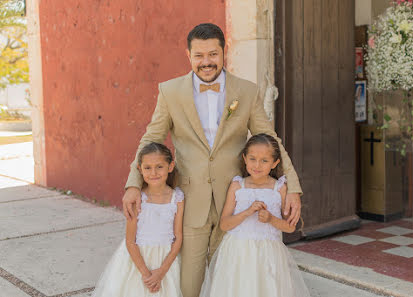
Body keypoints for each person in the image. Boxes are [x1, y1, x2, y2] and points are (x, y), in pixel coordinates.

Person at [122, 23, 304, 297]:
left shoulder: (246, 91)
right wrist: (133, 184)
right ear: (189, 55)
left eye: (212, 55)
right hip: (191, 200)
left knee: (229, 282)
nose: (206, 62)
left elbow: (270, 138)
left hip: (234, 204)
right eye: (199, 55)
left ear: (223, 52)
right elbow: (152, 139)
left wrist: (293, 186)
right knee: (189, 285)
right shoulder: (170, 92)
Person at [199, 134, 310, 297]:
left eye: (264, 160)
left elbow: (290, 227)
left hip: (268, 253)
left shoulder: (279, 188)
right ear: (244, 158)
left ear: (275, 163)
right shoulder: (237, 185)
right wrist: (247, 212)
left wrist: (271, 219)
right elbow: (224, 224)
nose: (257, 165)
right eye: (252, 159)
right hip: (238, 251)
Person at [93, 143, 184, 297]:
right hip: (138, 262)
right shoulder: (137, 199)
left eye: (159, 167)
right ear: (140, 169)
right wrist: (146, 274)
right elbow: (130, 241)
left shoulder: (177, 198)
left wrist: (161, 272)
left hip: (166, 262)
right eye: (147, 167)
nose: (153, 172)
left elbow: (178, 236)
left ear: (170, 166)